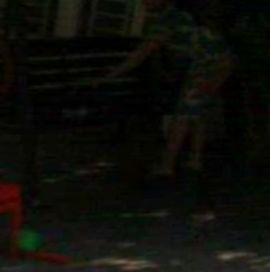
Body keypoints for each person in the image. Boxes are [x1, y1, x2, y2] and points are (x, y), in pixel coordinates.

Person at [94, 0, 234, 177]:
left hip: (207, 66)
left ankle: (167, 165)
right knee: (197, 113)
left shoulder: (167, 21)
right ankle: (195, 159)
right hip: (219, 62)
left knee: (182, 116)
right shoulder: (180, 15)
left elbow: (141, 54)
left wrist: (110, 75)